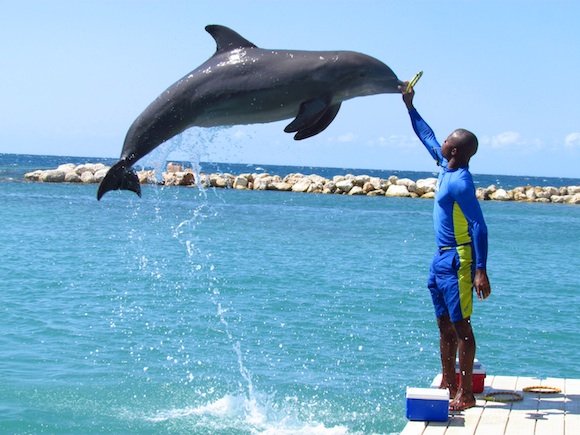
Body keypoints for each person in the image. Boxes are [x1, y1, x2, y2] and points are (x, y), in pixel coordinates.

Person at [400, 84, 491, 411]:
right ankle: (449, 385)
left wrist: (480, 270)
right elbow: (426, 135)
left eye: (448, 140)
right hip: (439, 259)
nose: (442, 142)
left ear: (455, 150)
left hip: (459, 258)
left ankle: (465, 393)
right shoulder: (444, 165)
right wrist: (410, 106)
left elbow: (479, 225)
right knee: (443, 325)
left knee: (462, 326)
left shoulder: (461, 181)